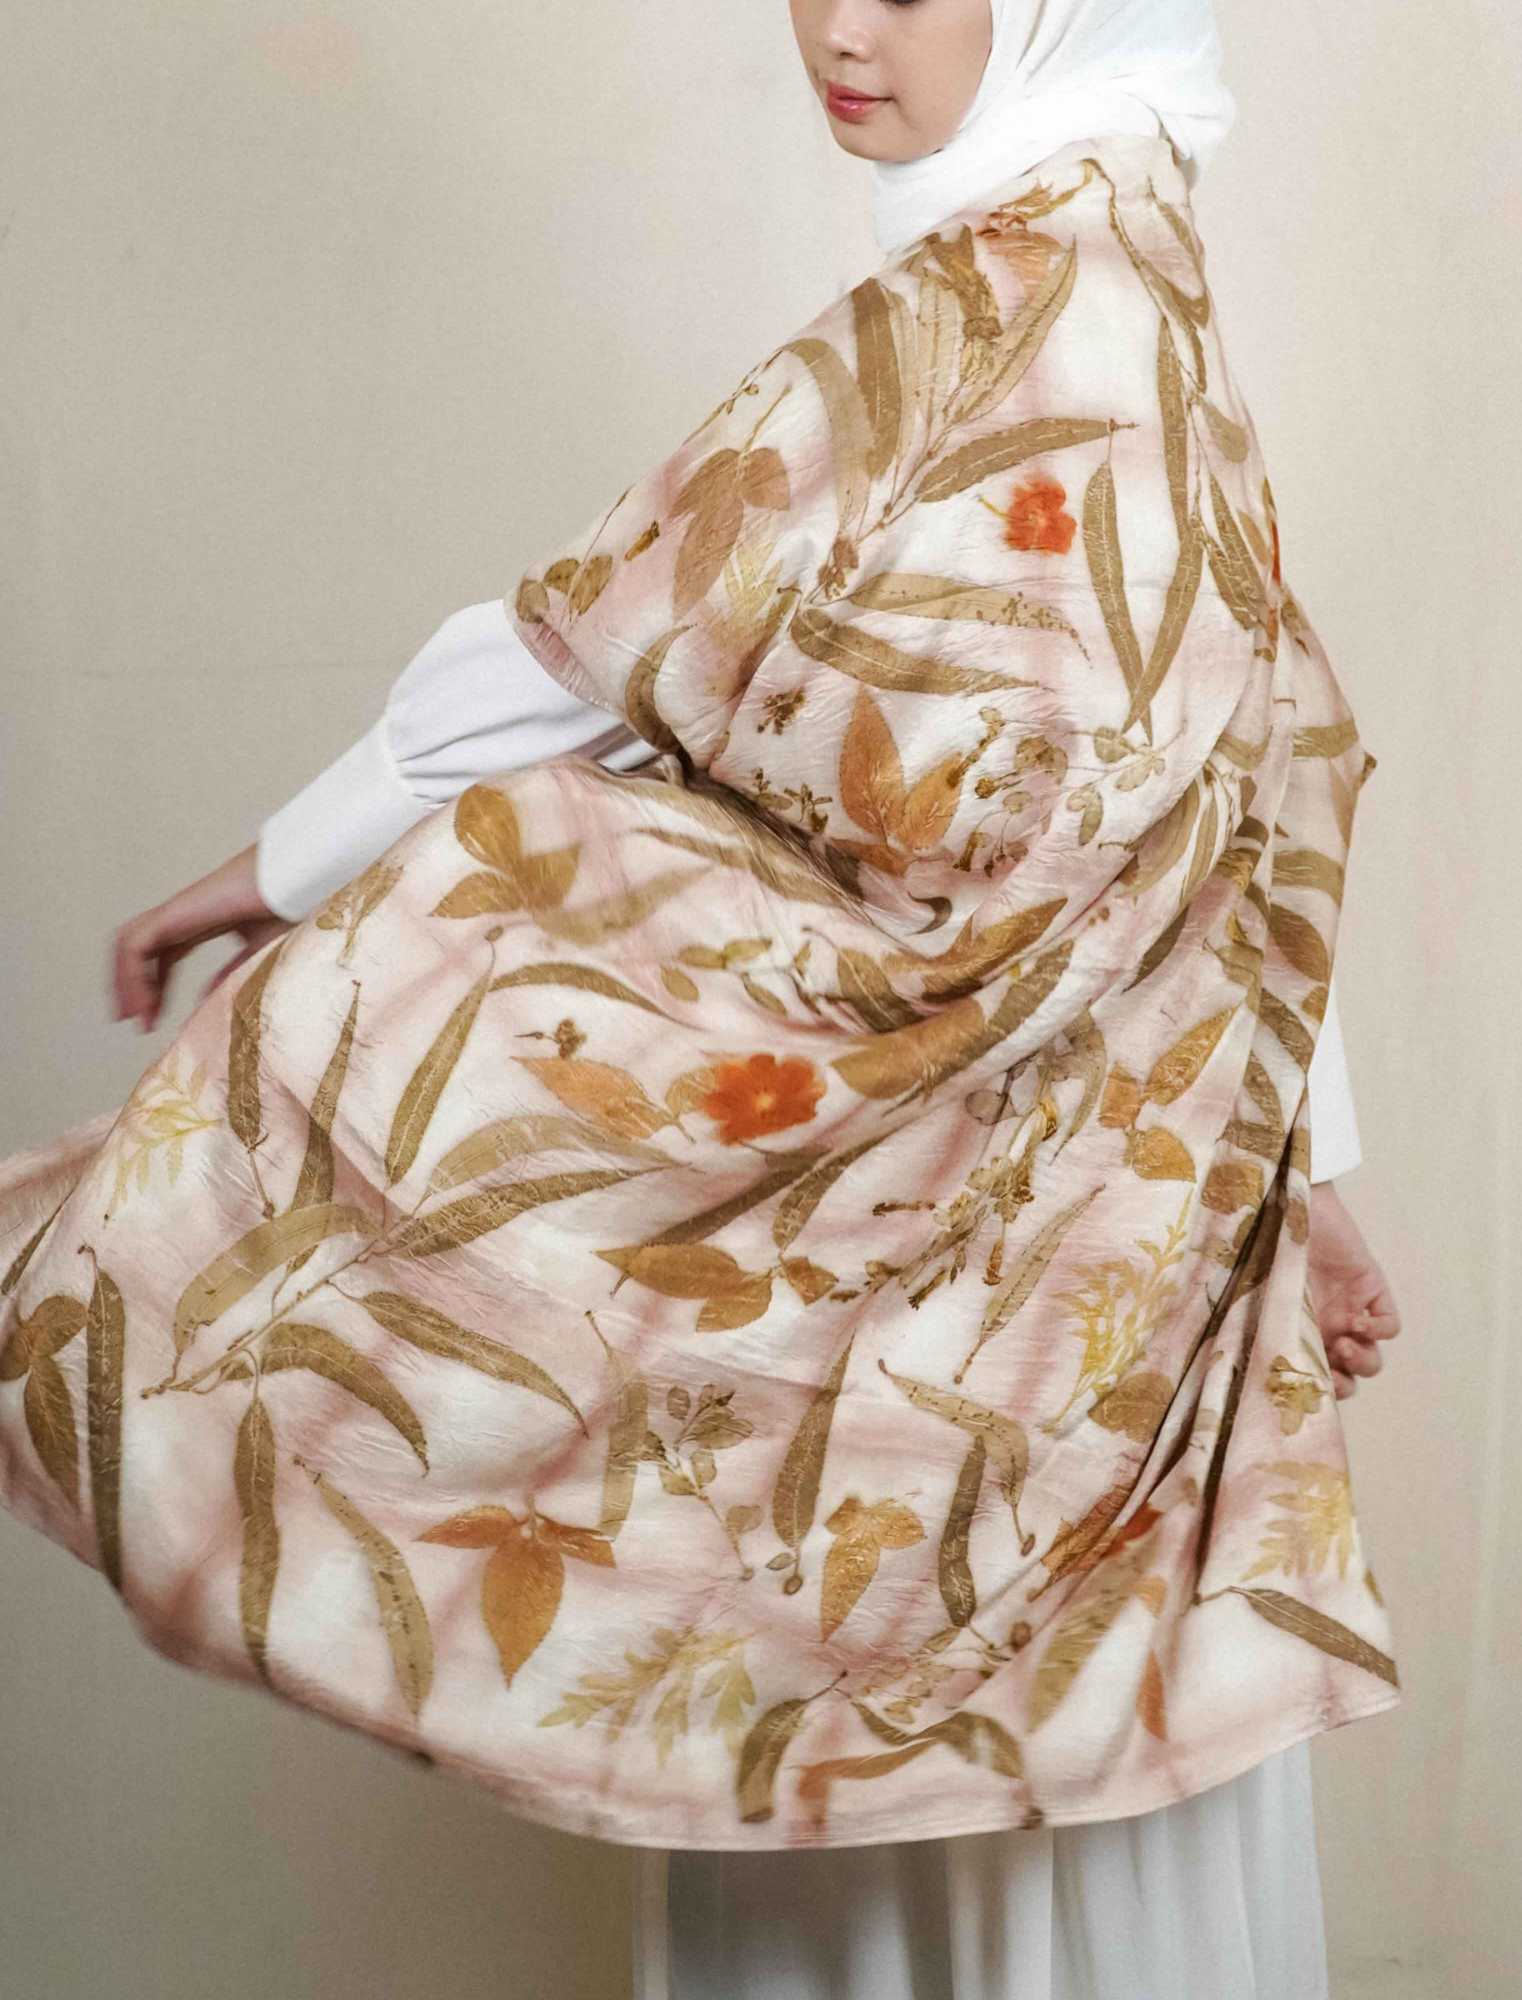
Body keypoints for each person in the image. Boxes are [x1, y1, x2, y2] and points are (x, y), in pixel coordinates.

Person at [4, 1, 1405, 1993]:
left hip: (1008, 1249)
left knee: (851, 1767)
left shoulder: (997, 303)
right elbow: (1225, 776)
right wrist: (1306, 1169)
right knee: (1044, 1767)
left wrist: (281, 868)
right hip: (1120, 1244)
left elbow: (596, 642)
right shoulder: (1138, 276)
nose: (839, 28)